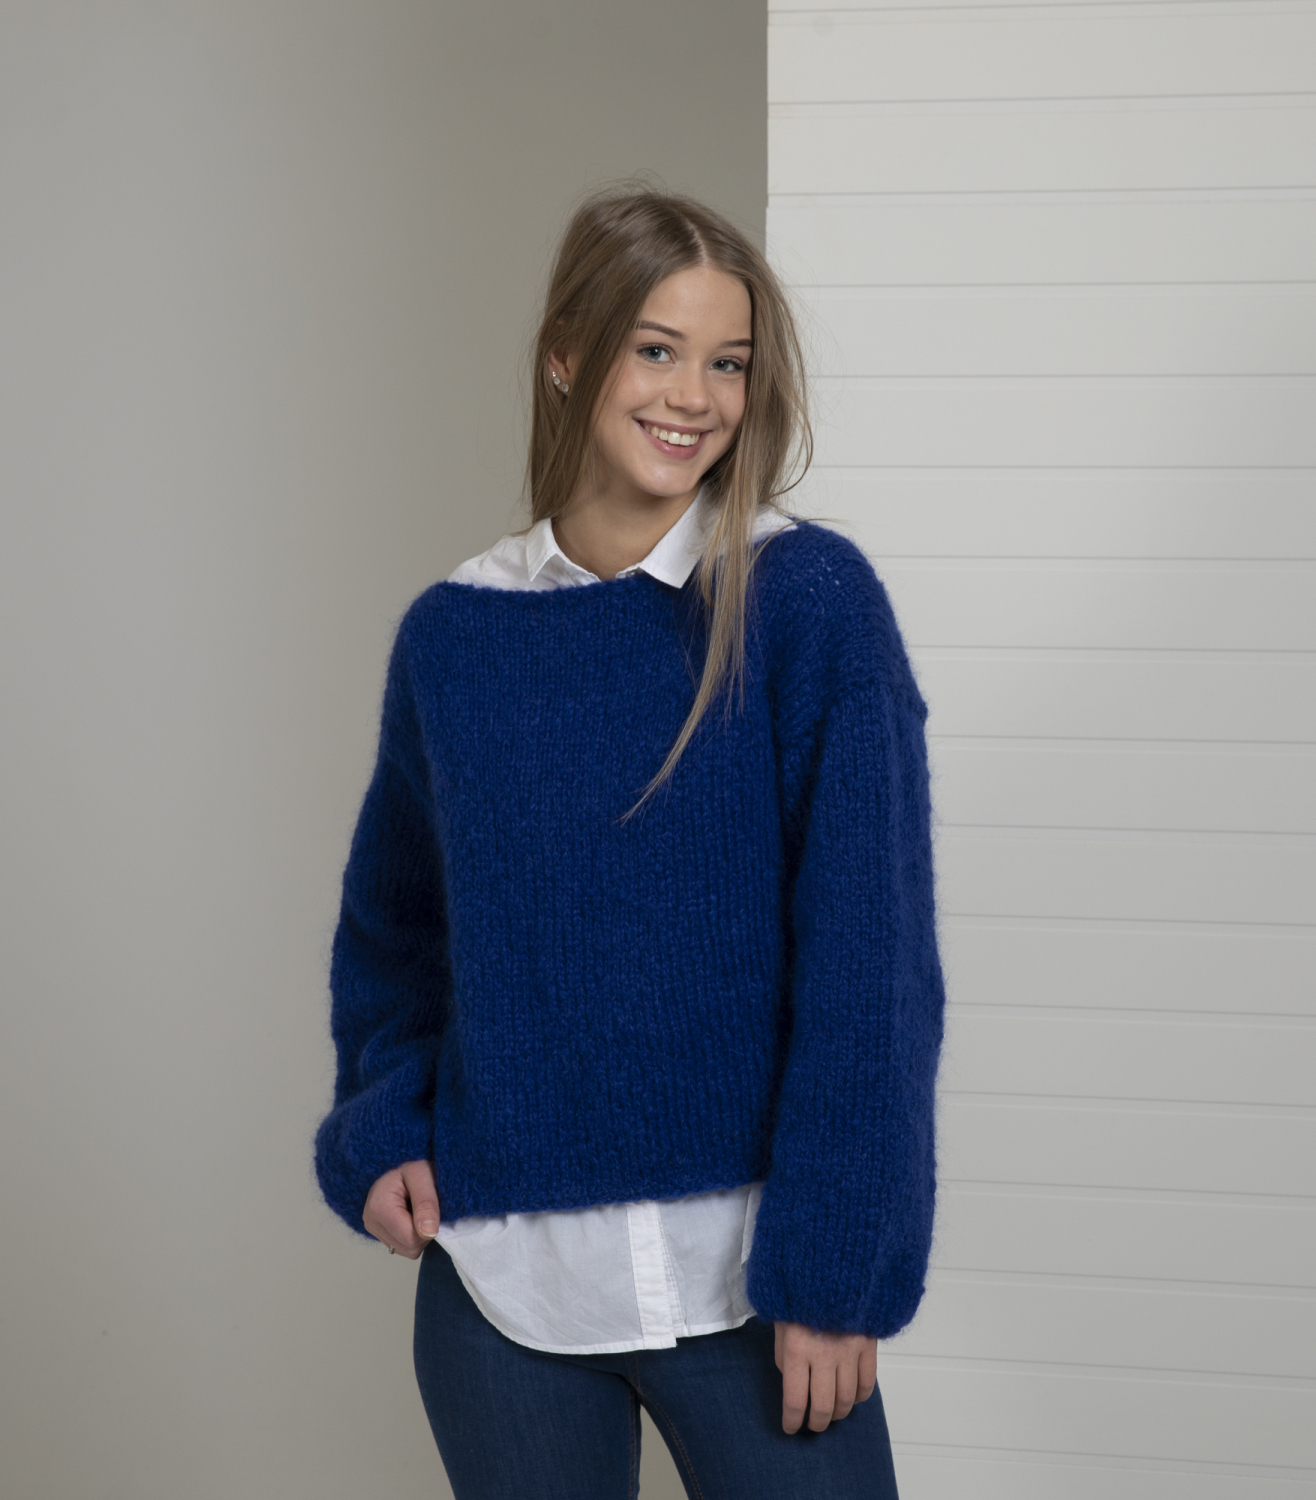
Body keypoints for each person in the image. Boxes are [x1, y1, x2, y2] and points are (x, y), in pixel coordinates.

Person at [314, 186, 945, 1499]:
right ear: (568, 355)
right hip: (505, 1293)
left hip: (756, 1287)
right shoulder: (455, 636)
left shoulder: (806, 604)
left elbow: (871, 964)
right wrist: (382, 1127)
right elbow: (396, 929)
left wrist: (838, 1270)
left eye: (729, 363)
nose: (694, 397)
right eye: (657, 349)